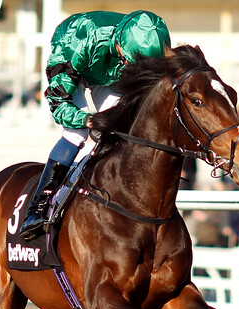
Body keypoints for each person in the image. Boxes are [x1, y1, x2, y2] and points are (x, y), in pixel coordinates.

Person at [18, 10, 171, 241]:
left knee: (120, 129)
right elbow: (58, 104)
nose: (131, 66)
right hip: (74, 58)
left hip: (106, 74)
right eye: (130, 60)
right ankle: (38, 207)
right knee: (76, 134)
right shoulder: (79, 44)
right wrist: (86, 119)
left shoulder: (151, 44)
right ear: (120, 43)